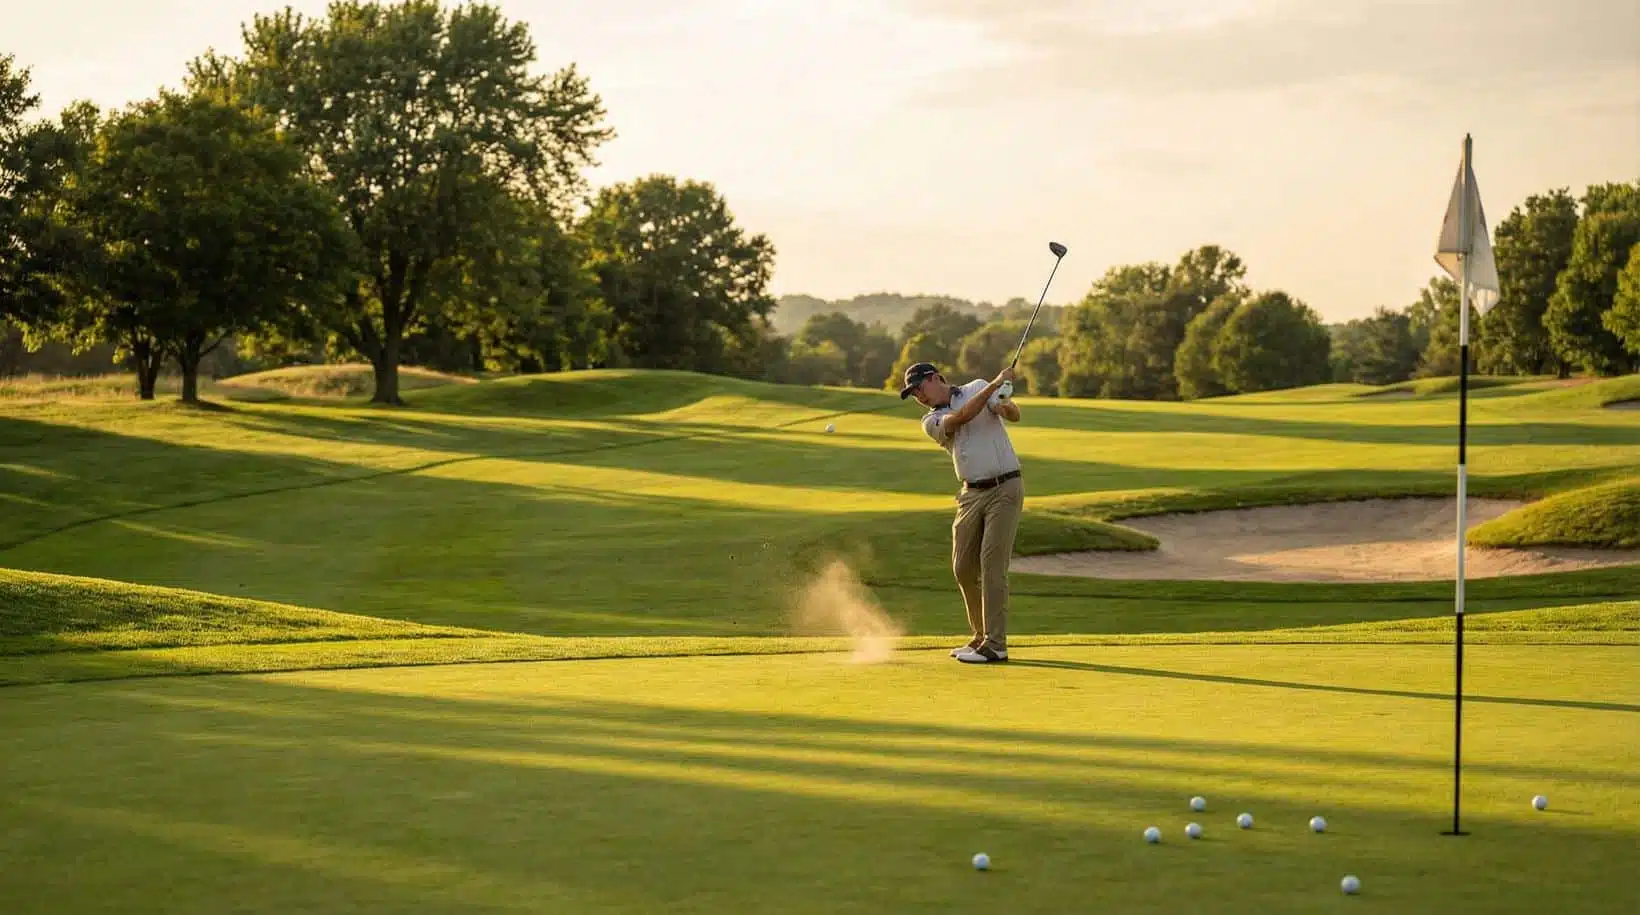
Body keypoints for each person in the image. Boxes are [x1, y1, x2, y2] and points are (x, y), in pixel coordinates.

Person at [899, 361, 1023, 664]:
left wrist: (1004, 402)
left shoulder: (976, 387)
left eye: (920, 388)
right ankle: (980, 637)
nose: (919, 396)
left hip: (1005, 487)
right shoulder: (933, 420)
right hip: (970, 494)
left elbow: (1014, 415)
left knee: (991, 564)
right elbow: (964, 417)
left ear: (936, 378)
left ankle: (996, 645)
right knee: (963, 568)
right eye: (913, 393)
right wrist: (996, 384)